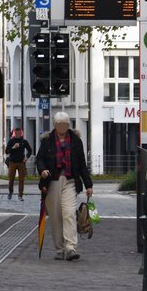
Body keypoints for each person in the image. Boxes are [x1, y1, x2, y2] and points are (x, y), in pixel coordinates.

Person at [35, 111, 93, 261]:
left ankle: (70, 248)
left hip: (70, 181)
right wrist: (42, 171)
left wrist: (88, 185)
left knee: (68, 213)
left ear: (68, 125)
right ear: (55, 125)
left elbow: (81, 164)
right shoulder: (47, 141)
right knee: (55, 217)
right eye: (59, 125)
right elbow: (40, 159)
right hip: (51, 182)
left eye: (65, 125)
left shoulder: (75, 141)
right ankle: (59, 248)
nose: (62, 127)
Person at [4, 127, 32, 200]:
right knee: (11, 178)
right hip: (12, 162)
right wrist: (13, 147)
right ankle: (10, 192)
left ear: (21, 133)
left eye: (19, 133)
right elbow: (6, 151)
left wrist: (27, 157)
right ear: (14, 133)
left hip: (21, 162)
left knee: (21, 179)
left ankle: (20, 195)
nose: (17, 134)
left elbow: (30, 150)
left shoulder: (23, 141)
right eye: (16, 133)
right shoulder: (11, 141)